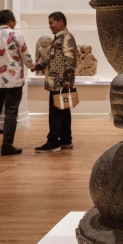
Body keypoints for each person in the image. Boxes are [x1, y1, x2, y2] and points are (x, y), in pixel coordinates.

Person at [0, 9, 36, 156]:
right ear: (10, 21)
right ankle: (6, 145)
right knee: (11, 113)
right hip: (14, 81)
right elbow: (26, 56)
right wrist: (33, 66)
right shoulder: (17, 35)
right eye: (14, 20)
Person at [35, 11, 77, 153]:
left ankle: (53, 142)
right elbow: (51, 58)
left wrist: (67, 79)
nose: (50, 26)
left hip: (60, 82)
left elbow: (70, 59)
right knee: (63, 111)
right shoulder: (58, 38)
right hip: (57, 82)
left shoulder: (66, 37)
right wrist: (39, 65)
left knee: (56, 114)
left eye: (51, 23)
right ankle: (66, 140)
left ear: (61, 22)